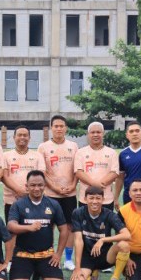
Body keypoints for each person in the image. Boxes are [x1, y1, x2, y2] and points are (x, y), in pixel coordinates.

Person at [7, 170, 70, 280]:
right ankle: (31, 270)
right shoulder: (18, 204)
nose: (37, 188)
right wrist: (29, 227)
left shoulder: (53, 204)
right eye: (33, 185)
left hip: (46, 254)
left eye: (40, 185)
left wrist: (58, 254)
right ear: (27, 186)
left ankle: (39, 272)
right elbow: (11, 226)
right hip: (23, 254)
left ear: (45, 185)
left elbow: (64, 229)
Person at [69, 186, 131, 280]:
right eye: (91, 198)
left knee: (124, 245)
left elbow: (127, 235)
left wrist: (102, 240)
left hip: (106, 256)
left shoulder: (109, 215)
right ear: (85, 199)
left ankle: (115, 278)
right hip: (87, 257)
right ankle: (92, 273)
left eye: (98, 198)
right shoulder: (78, 213)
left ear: (103, 199)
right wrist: (77, 268)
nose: (94, 201)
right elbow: (78, 240)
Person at [37, 115, 78, 271]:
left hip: (69, 194)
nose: (59, 129)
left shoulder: (73, 146)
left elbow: (77, 170)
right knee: (49, 225)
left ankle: (67, 259)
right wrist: (54, 187)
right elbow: (42, 172)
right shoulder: (43, 147)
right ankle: (49, 256)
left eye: (61, 126)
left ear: (66, 128)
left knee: (69, 226)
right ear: (51, 128)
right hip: (50, 194)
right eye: (56, 126)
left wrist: (72, 185)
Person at [1, 125, 45, 222]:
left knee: (33, 228)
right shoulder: (5, 156)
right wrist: (18, 190)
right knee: (12, 228)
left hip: (33, 200)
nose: (22, 137)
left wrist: (29, 192)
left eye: (25, 135)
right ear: (14, 137)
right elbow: (4, 176)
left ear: (29, 138)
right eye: (19, 135)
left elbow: (41, 176)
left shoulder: (37, 156)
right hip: (11, 200)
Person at [74, 122, 119, 210]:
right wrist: (94, 184)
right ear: (88, 134)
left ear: (103, 134)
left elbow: (114, 172)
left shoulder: (112, 152)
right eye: (92, 132)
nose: (95, 135)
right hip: (86, 199)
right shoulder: (80, 152)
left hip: (106, 199)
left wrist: (99, 184)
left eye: (98, 132)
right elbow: (79, 172)